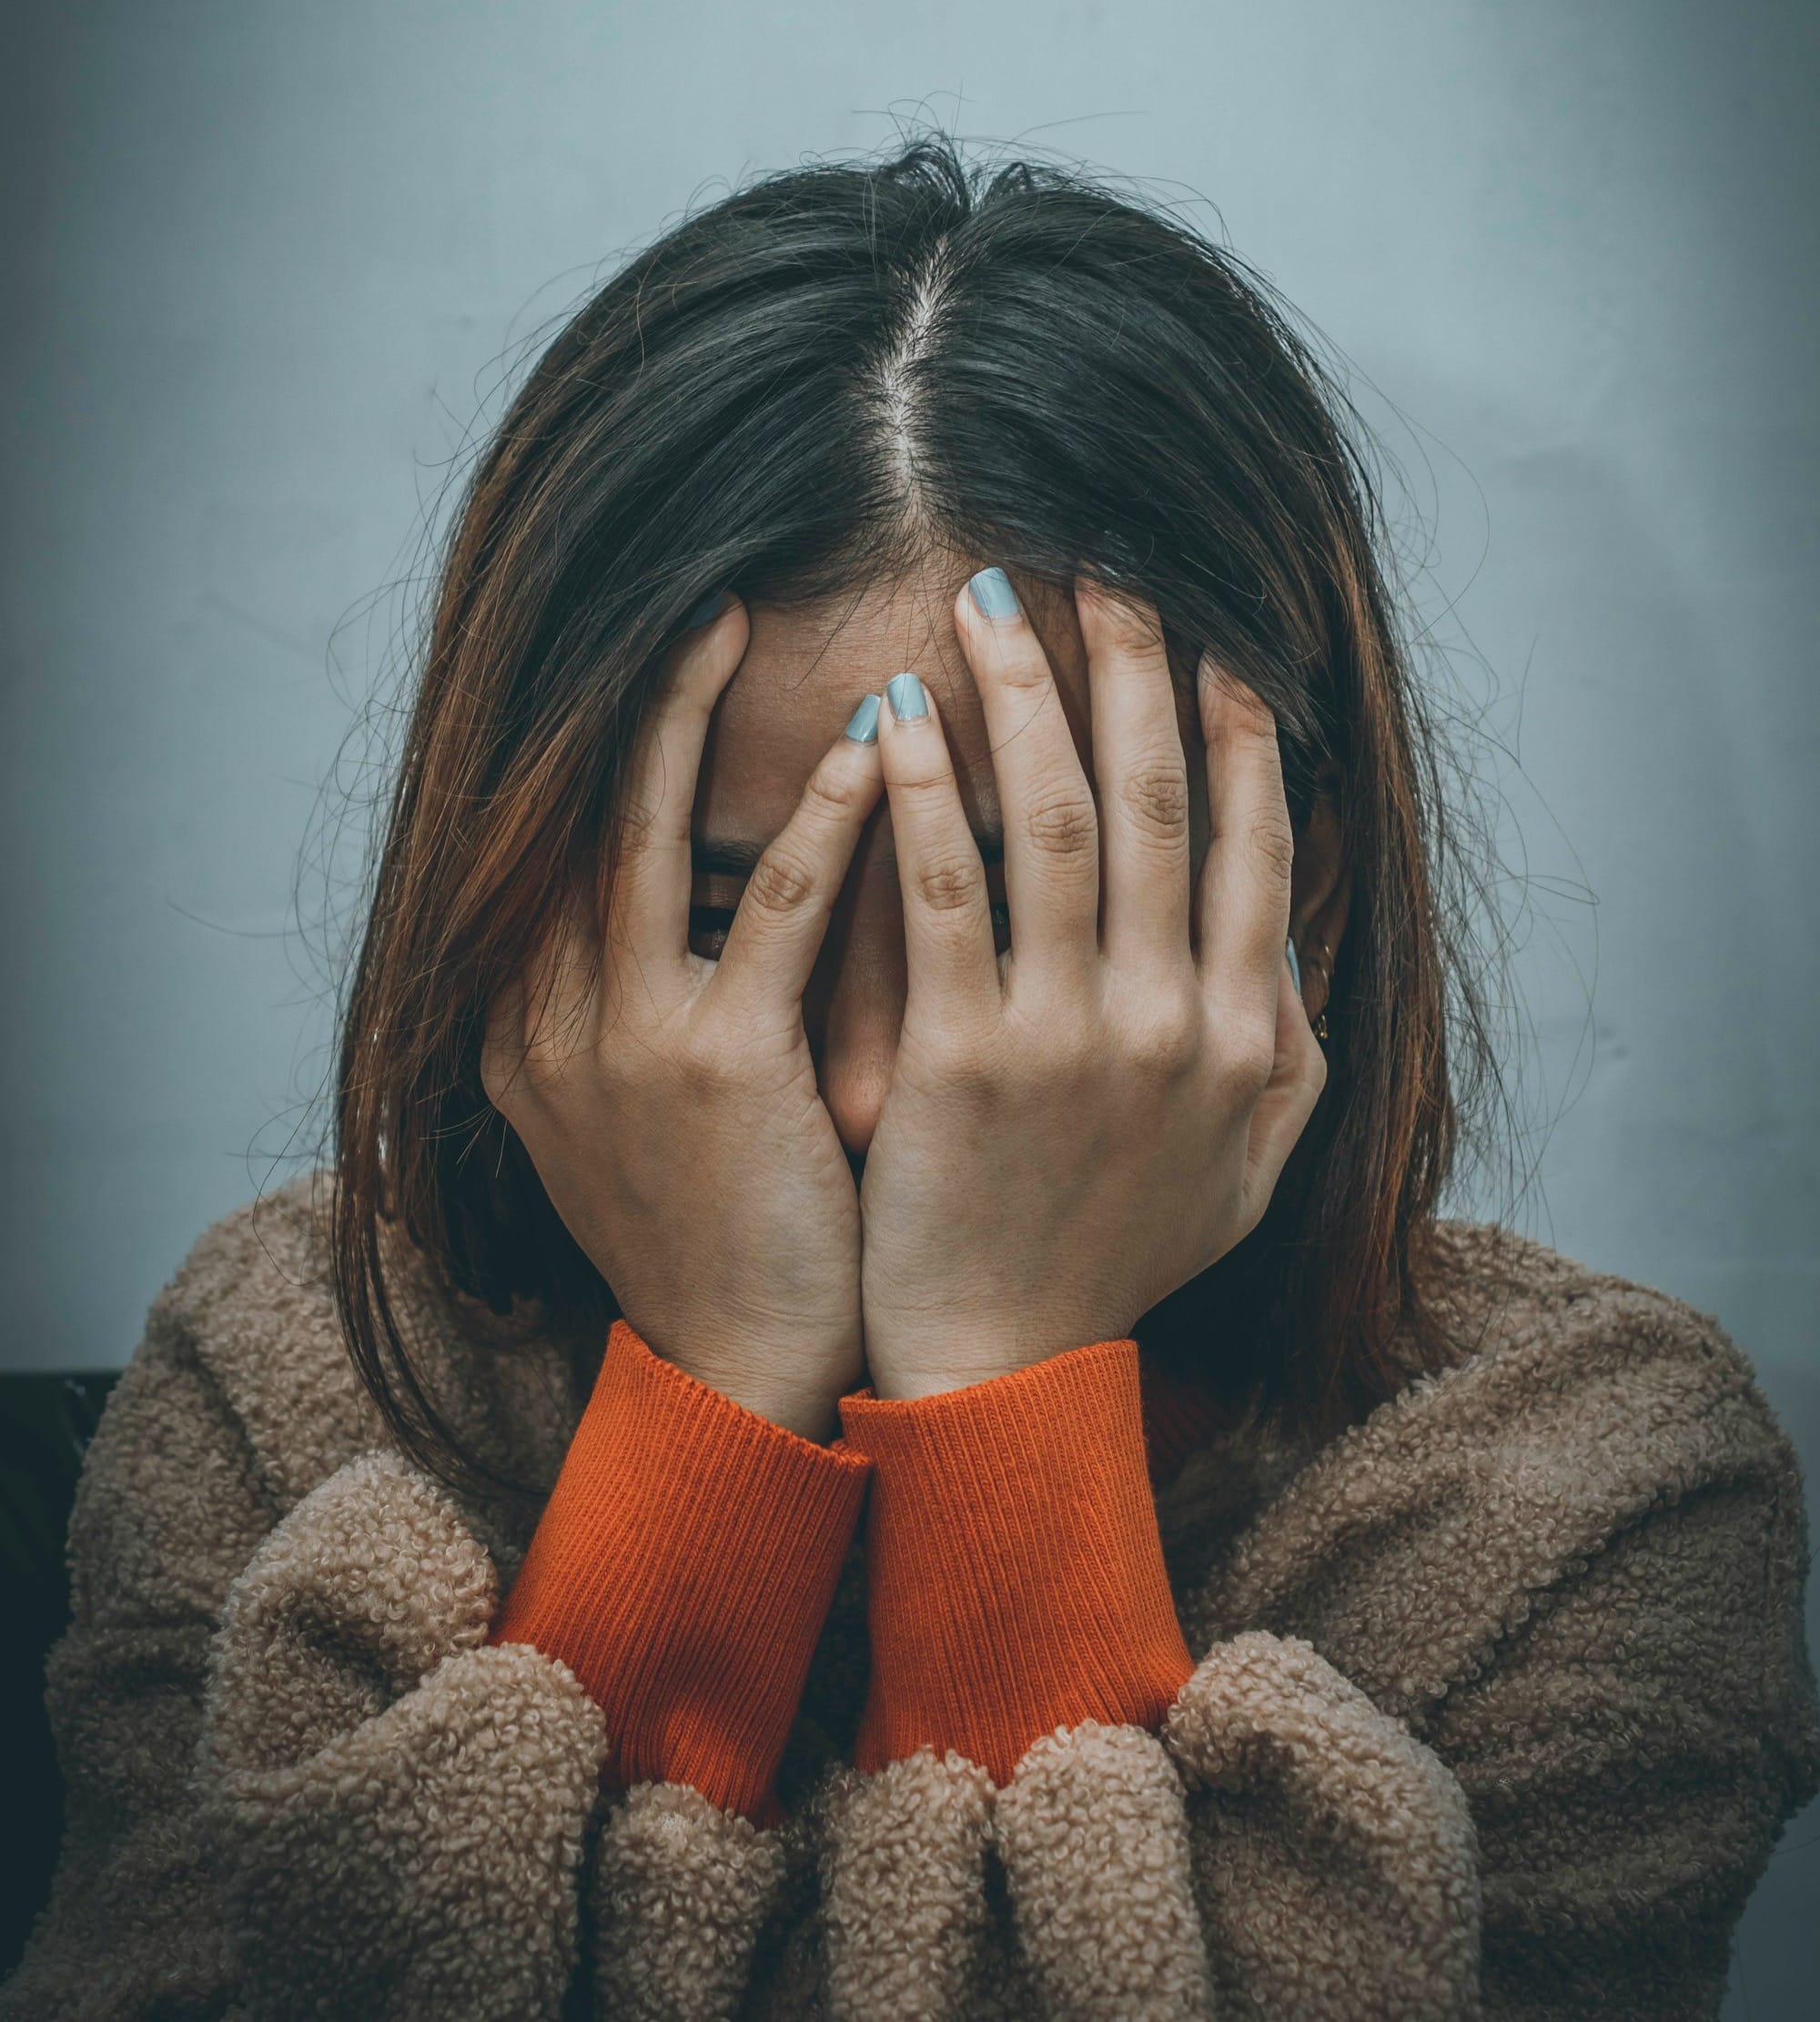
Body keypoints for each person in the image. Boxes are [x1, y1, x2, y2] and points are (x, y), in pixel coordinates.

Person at [6, 136, 1815, 2022]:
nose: (870, 1090)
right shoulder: (299, 1374)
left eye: (1030, 917)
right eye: (734, 908)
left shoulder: (1583, 1490)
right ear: (517, 876)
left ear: (1308, 888)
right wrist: (706, 1426)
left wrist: (998, 1394)